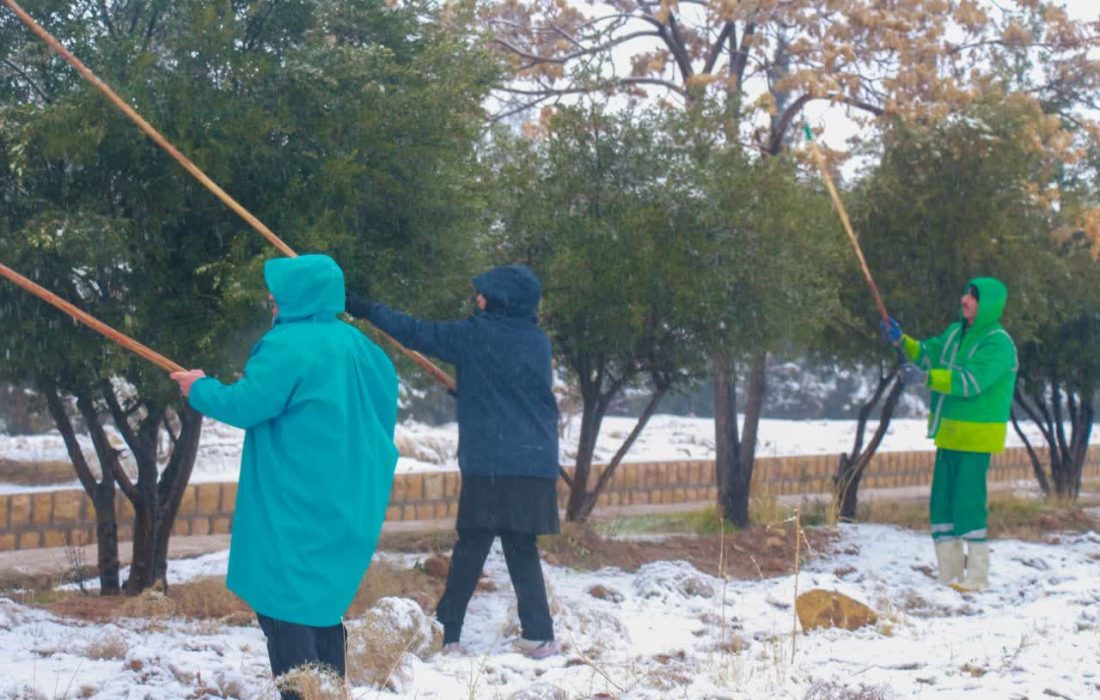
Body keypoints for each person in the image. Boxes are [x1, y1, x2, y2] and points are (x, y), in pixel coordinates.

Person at [170, 254, 398, 697]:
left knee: (285, 607)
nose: (272, 304)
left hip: (294, 500)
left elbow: (247, 405)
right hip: (347, 496)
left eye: (277, 297)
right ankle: (328, 690)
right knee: (322, 606)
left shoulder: (288, 346)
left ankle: (302, 691)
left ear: (300, 297)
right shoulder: (363, 349)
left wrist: (200, 388)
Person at [345, 264, 561, 659]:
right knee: (521, 546)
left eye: (483, 294)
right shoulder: (536, 341)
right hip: (535, 460)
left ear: (500, 300)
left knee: (473, 544)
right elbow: (514, 389)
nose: (477, 299)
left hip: (493, 459)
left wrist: (364, 308)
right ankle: (539, 635)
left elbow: (414, 331)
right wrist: (472, 393)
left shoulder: (475, 335)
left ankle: (448, 634)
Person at [882, 277, 1017, 592]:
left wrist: (925, 378)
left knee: (968, 504)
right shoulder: (955, 334)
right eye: (966, 294)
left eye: (973, 296)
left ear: (989, 304)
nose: (964, 300)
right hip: (949, 435)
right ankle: (950, 575)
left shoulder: (998, 344)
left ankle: (977, 578)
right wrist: (902, 341)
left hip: (976, 439)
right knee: (941, 505)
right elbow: (927, 354)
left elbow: (969, 382)